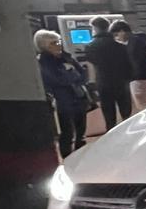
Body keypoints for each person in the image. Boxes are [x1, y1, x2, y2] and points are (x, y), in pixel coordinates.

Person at [35, 30, 89, 159]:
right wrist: (72, 74)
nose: (58, 45)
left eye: (59, 41)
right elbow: (57, 80)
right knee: (67, 132)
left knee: (81, 130)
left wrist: (72, 75)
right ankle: (68, 158)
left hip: (78, 96)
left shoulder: (67, 57)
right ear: (44, 46)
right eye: (53, 43)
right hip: (62, 100)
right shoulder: (43, 61)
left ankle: (81, 155)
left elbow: (83, 75)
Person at [85, 15, 133, 129]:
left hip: (104, 83)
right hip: (121, 82)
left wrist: (92, 84)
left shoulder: (91, 46)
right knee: (126, 112)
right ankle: (128, 133)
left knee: (109, 114)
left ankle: (111, 135)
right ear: (107, 28)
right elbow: (129, 65)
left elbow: (91, 66)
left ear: (95, 28)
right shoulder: (121, 46)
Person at [111, 20, 146, 112]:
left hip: (139, 79)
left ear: (122, 31)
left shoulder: (133, 43)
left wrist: (129, 76)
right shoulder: (140, 40)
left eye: (117, 35)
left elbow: (135, 62)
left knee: (143, 107)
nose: (117, 38)